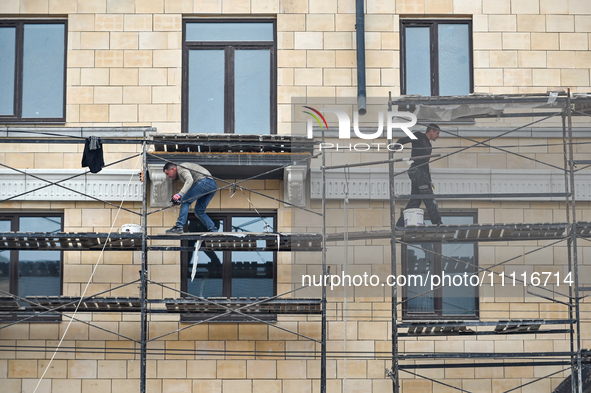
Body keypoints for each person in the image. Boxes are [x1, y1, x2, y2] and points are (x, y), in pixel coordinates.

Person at [395, 124, 443, 227]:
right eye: (437, 133)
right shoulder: (419, 136)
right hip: (417, 170)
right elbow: (402, 140)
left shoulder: (429, 146)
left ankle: (399, 225)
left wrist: (429, 181)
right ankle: (438, 223)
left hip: (419, 172)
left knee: (415, 202)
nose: (438, 136)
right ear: (431, 131)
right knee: (429, 197)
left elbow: (426, 164)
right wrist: (394, 148)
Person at [163, 162, 218, 234]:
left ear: (173, 169)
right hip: (212, 185)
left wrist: (180, 195)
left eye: (167, 173)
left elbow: (189, 180)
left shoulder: (181, 167)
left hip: (205, 182)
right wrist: (180, 197)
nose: (168, 176)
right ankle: (213, 229)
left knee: (185, 201)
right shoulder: (181, 172)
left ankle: (179, 226)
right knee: (199, 211)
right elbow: (192, 187)